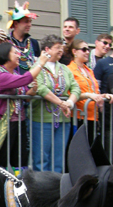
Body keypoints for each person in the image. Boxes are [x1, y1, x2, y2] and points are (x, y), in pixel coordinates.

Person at [0, 41, 49, 171]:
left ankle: (18, 187)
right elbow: (25, 80)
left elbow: (25, 96)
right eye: (14, 52)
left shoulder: (15, 74)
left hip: (19, 121)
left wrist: (33, 90)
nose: (18, 55)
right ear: (5, 55)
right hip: (4, 124)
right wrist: (40, 63)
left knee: (20, 158)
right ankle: (0, 186)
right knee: (2, 158)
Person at [30, 34, 80, 172]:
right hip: (41, 119)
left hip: (63, 119)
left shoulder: (64, 68)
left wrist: (69, 102)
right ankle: (40, 188)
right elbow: (40, 87)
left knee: (58, 158)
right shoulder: (37, 67)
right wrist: (61, 103)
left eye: (61, 48)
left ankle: (56, 188)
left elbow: (76, 87)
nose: (61, 51)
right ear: (47, 49)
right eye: (57, 48)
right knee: (41, 158)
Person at [68, 39, 113, 138]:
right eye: (84, 49)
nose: (87, 52)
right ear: (74, 51)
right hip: (77, 117)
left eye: (88, 49)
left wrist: (104, 95)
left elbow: (94, 92)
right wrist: (88, 95)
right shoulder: (69, 69)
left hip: (93, 117)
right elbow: (68, 94)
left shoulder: (89, 70)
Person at [6, 1, 40, 73]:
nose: (29, 25)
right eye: (26, 22)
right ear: (15, 23)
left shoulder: (34, 43)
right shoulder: (5, 42)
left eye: (30, 21)